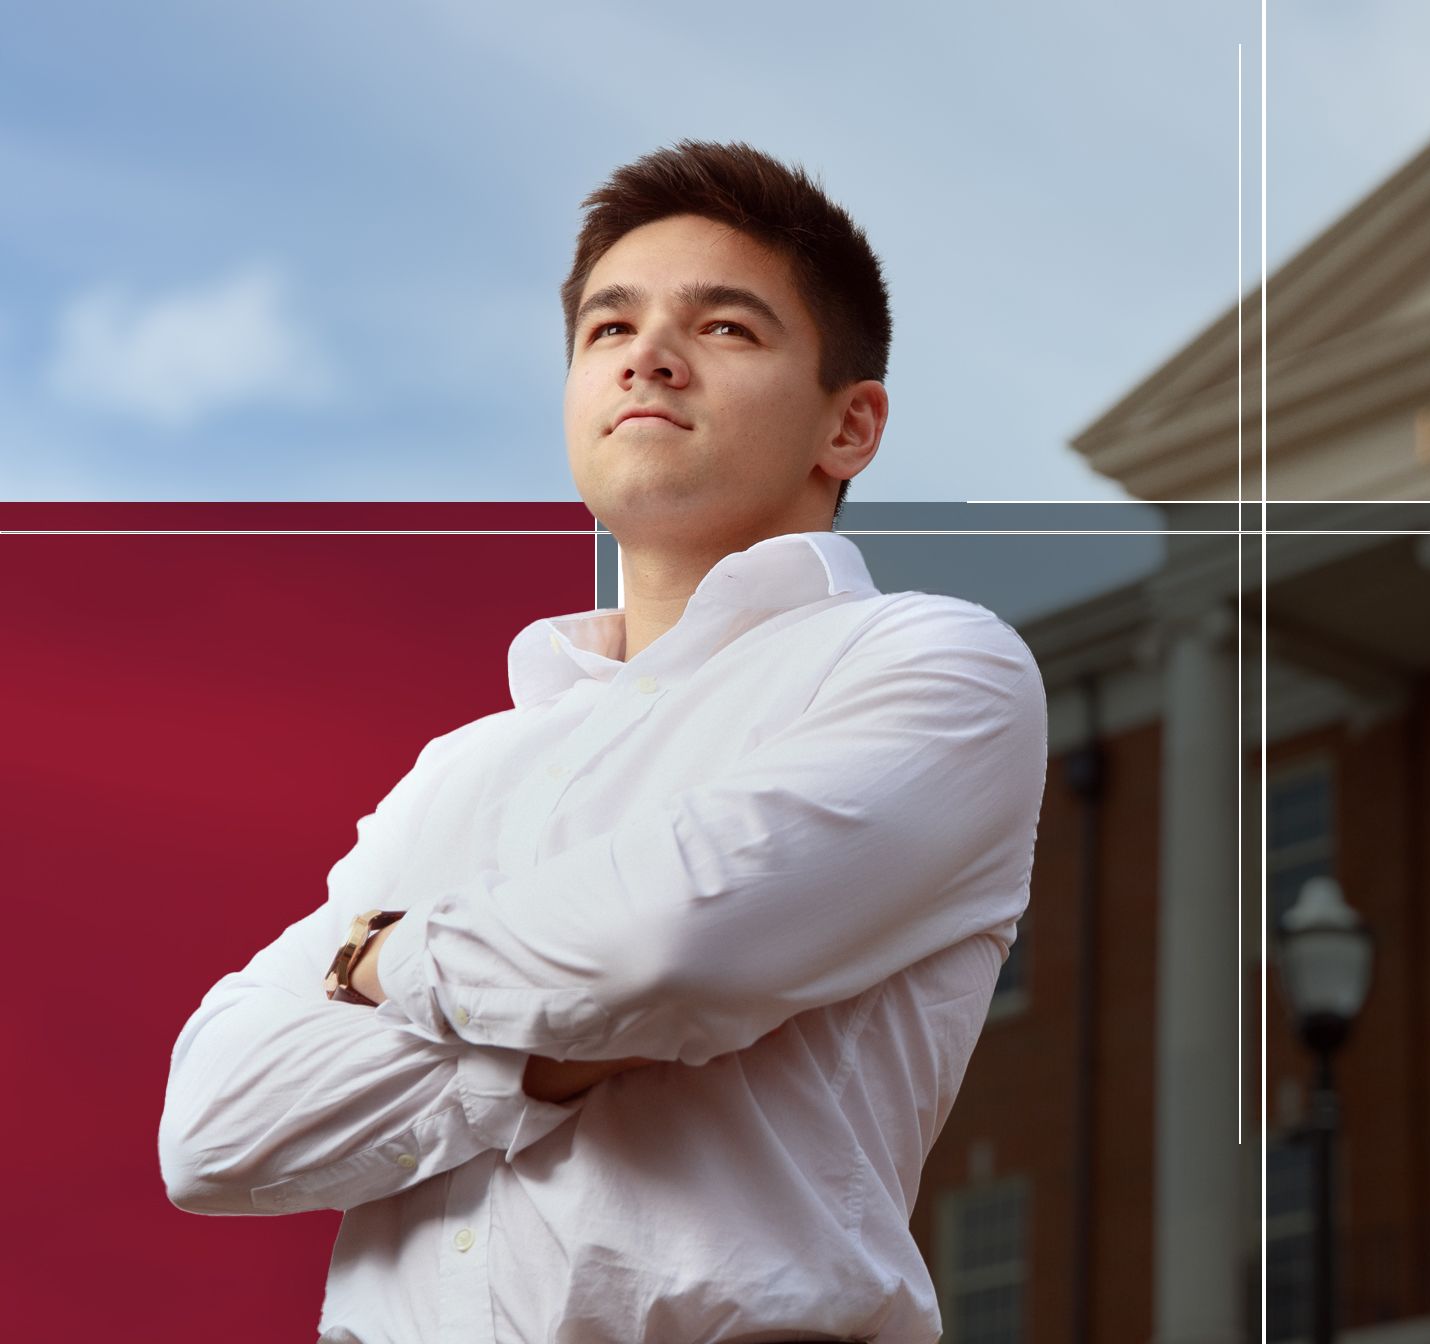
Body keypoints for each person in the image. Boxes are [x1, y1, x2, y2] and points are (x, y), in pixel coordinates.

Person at [156, 139, 1049, 1344]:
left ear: (850, 425)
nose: (649, 356)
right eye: (605, 328)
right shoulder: (460, 768)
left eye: (726, 327)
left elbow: (661, 952)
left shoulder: (935, 668)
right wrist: (541, 1059)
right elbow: (214, 1128)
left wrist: (378, 957)